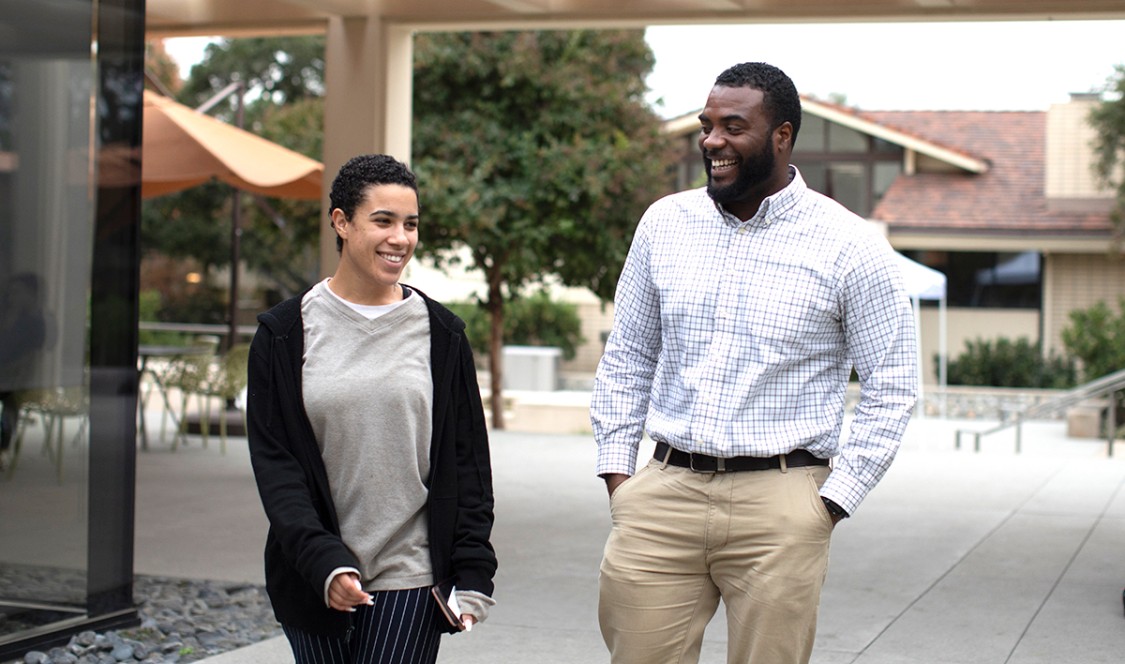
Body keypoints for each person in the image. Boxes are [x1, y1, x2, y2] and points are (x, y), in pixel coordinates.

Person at [590, 62, 918, 664]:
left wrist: (830, 503)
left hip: (783, 505)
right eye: (707, 125)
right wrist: (620, 479)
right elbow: (628, 356)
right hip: (663, 495)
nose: (712, 141)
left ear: (782, 136)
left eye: (734, 126)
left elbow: (893, 386)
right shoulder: (664, 224)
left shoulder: (852, 246)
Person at [247, 154, 497, 664]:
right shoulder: (283, 334)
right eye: (383, 221)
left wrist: (474, 570)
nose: (400, 238)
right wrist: (324, 563)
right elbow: (278, 469)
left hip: (411, 571)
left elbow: (467, 463)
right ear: (341, 222)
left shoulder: (442, 336)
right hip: (312, 574)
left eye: (411, 224)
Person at [0, 272, 48, 470]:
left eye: (17, 292)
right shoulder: (12, 317)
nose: (12, 297)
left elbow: (9, 353)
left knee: (10, 402)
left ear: (31, 294)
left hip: (16, 379)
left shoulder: (33, 323)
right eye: (10, 293)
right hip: (8, 376)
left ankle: (3, 447)